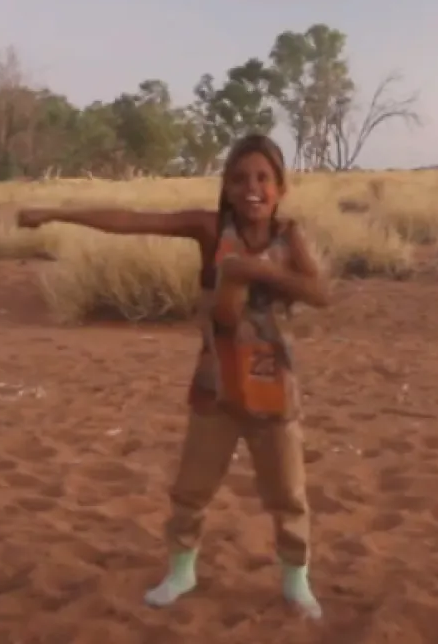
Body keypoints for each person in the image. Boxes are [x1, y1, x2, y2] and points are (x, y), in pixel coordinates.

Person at [17, 134, 330, 620]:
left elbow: (319, 292)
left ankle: (295, 581)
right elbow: (134, 222)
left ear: (281, 188)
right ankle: (182, 571)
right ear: (226, 188)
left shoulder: (289, 238)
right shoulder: (209, 229)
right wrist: (57, 212)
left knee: (288, 493)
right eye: (240, 178)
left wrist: (252, 272)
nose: (252, 188)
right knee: (191, 489)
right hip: (216, 387)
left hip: (273, 389)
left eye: (263, 179)